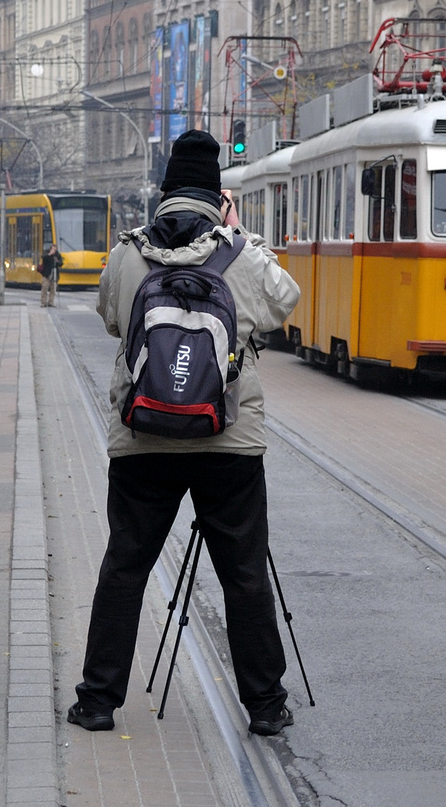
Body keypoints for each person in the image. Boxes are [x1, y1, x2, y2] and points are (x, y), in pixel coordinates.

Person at [68, 129, 301, 737]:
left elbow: (113, 319)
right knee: (244, 573)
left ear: (165, 191)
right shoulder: (241, 253)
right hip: (229, 443)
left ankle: (97, 700)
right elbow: (285, 301)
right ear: (216, 194)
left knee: (125, 565)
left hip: (142, 439)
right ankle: (266, 705)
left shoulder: (128, 254)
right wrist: (241, 232)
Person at [38, 242, 63, 307]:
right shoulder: (47, 253)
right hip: (46, 274)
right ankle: (43, 302)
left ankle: (51, 302)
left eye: (55, 249)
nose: (54, 251)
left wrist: (57, 261)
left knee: (53, 289)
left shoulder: (57, 255)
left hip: (54, 274)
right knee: (45, 288)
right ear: (50, 249)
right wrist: (49, 254)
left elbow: (61, 263)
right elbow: (43, 258)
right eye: (53, 249)